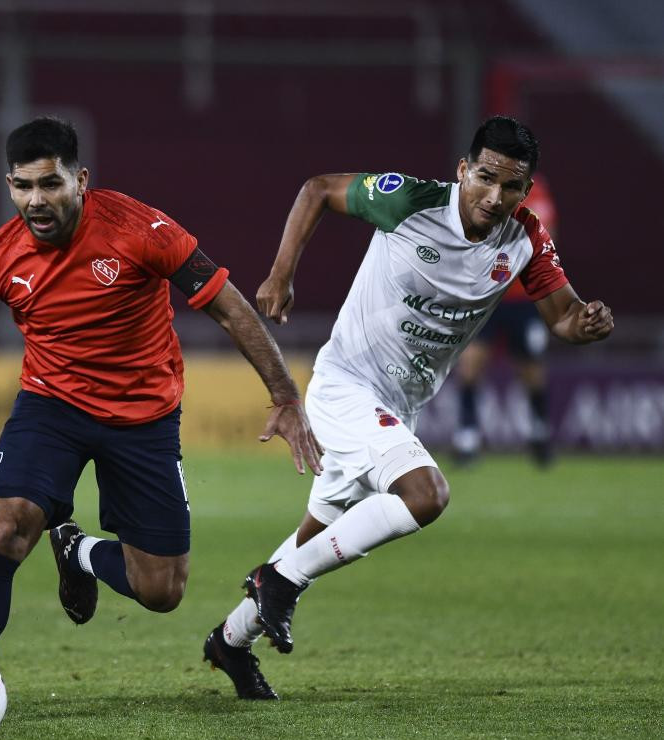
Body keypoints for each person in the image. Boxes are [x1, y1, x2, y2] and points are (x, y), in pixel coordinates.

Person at [0, 117, 322, 683]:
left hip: (145, 418)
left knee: (161, 590)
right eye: (22, 186)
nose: (35, 201)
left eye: (50, 184)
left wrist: (284, 395)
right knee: (9, 523)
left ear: (80, 179)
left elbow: (227, 305)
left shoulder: (140, 229)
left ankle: (78, 550)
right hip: (52, 409)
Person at [204, 116, 613, 700]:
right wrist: (281, 273)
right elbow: (317, 188)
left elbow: (564, 316)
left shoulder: (525, 238)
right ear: (463, 171)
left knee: (313, 539)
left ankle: (230, 641)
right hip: (345, 386)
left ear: (527, 191)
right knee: (426, 494)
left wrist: (588, 321)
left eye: (512, 187)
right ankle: (280, 583)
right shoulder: (412, 201)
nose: (494, 197)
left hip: (399, 408)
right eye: (486, 178)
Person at [453, 173, 559, 466]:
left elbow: (548, 240)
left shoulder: (538, 194)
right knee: (471, 365)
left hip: (524, 299)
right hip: (487, 296)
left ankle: (539, 434)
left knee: (532, 369)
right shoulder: (487, 189)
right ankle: (467, 437)